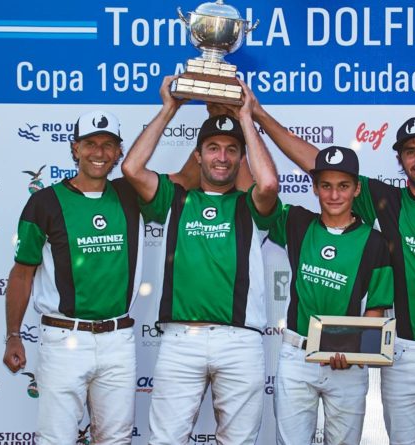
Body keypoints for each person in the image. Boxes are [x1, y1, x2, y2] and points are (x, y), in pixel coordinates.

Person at [252, 109, 415, 445]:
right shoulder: (386, 202)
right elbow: (318, 163)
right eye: (410, 151)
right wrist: (257, 114)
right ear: (400, 160)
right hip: (404, 352)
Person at [2, 110, 197, 445]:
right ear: (75, 148)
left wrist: (198, 113)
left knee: (115, 439)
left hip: (117, 340)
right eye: (90, 143)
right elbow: (22, 274)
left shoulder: (130, 193)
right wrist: (13, 335)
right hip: (64, 338)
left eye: (108, 145)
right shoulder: (44, 203)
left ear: (120, 152)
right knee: (55, 439)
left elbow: (186, 178)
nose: (99, 152)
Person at [121, 76, 279, 445]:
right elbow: (132, 170)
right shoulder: (174, 198)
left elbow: (269, 184)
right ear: (198, 156)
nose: (221, 157)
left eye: (231, 150)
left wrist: (245, 117)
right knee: (165, 440)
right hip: (181, 339)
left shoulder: (250, 205)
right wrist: (169, 108)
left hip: (240, 340)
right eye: (212, 148)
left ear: (241, 158)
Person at [265, 145, 394, 445]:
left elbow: (376, 309)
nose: (334, 195)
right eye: (326, 186)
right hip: (297, 357)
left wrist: (351, 350)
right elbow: (259, 190)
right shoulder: (296, 222)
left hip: (347, 365)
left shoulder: (375, 242)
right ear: (315, 187)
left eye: (343, 186)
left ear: (357, 189)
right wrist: (247, 123)